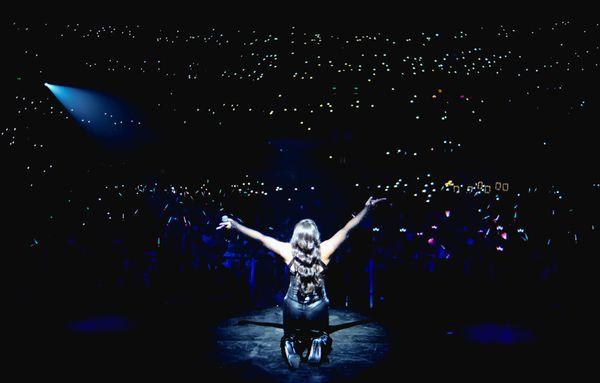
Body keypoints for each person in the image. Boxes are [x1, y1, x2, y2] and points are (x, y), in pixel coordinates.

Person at [216, 196, 387, 368]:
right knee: (322, 333)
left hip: (292, 308)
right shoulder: (326, 249)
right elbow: (347, 229)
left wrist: (235, 225)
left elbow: (260, 238)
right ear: (315, 236)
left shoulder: (287, 251)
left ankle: (289, 342)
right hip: (317, 309)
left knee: (289, 334)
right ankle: (318, 341)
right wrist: (367, 209)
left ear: (296, 236)